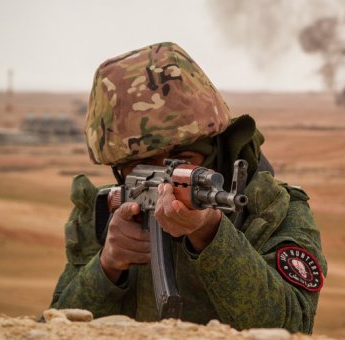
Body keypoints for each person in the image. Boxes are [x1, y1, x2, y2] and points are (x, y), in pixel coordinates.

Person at [48, 42, 327, 334]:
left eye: (181, 161)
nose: (165, 179)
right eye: (142, 166)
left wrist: (211, 235)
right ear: (121, 170)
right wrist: (107, 266)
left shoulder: (274, 211)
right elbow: (54, 326)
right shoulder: (105, 213)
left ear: (214, 153)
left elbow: (292, 326)